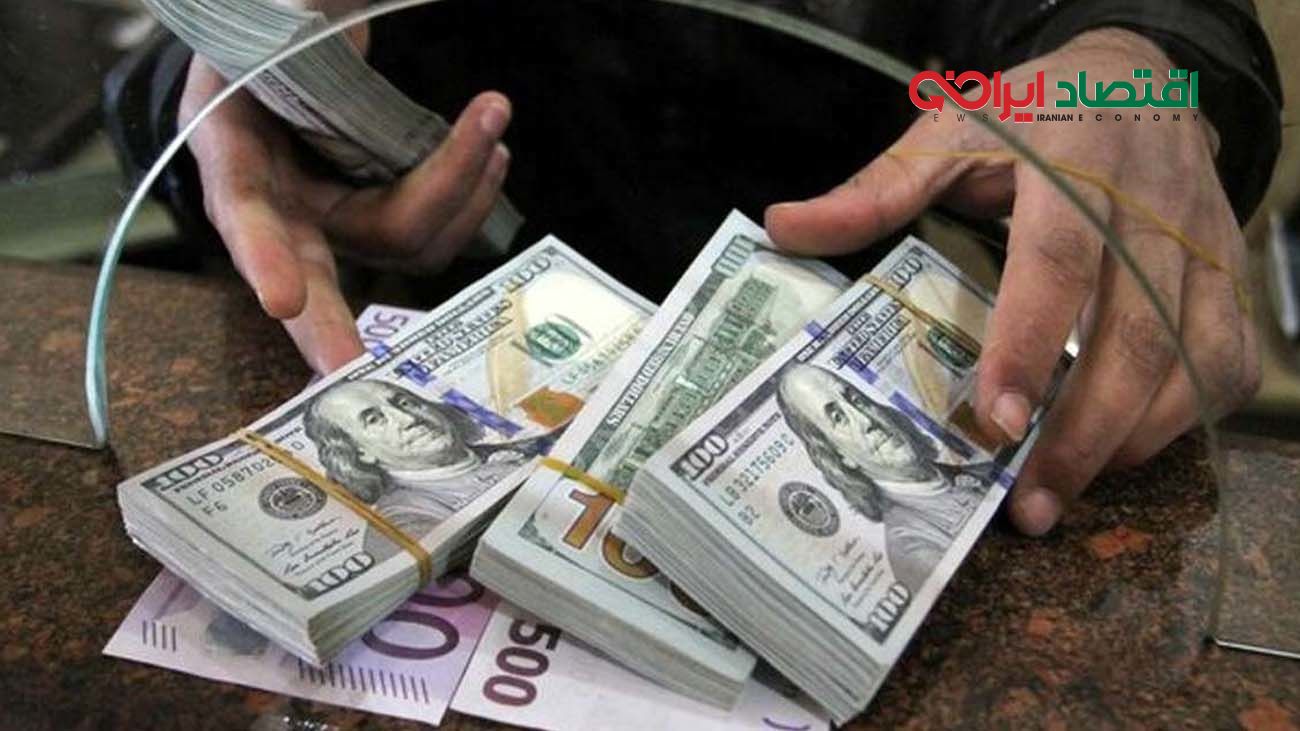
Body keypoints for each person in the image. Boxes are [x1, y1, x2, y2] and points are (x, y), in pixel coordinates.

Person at [117, 0, 1282, 538]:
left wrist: (1135, 69)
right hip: (427, 359)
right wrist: (239, 99)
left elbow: (1147, 32)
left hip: (826, 360)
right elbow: (178, 63)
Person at [777, 363, 992, 595]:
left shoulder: (981, 472)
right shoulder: (913, 547)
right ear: (838, 455)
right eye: (838, 418)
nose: (866, 421)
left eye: (855, 399)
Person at [302, 379, 546, 556]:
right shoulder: (404, 521)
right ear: (360, 453)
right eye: (374, 420)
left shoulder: (530, 447)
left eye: (404, 402)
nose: (408, 419)